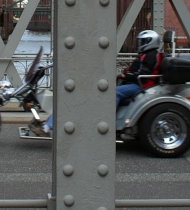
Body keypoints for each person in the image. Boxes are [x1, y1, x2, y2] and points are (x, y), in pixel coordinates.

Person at [29, 30, 164, 136]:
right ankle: (50, 124)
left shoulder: (150, 55)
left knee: (114, 93)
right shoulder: (147, 55)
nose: (140, 44)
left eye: (143, 41)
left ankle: (108, 120)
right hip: (138, 84)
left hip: (140, 86)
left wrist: (125, 75)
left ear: (150, 42)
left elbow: (141, 75)